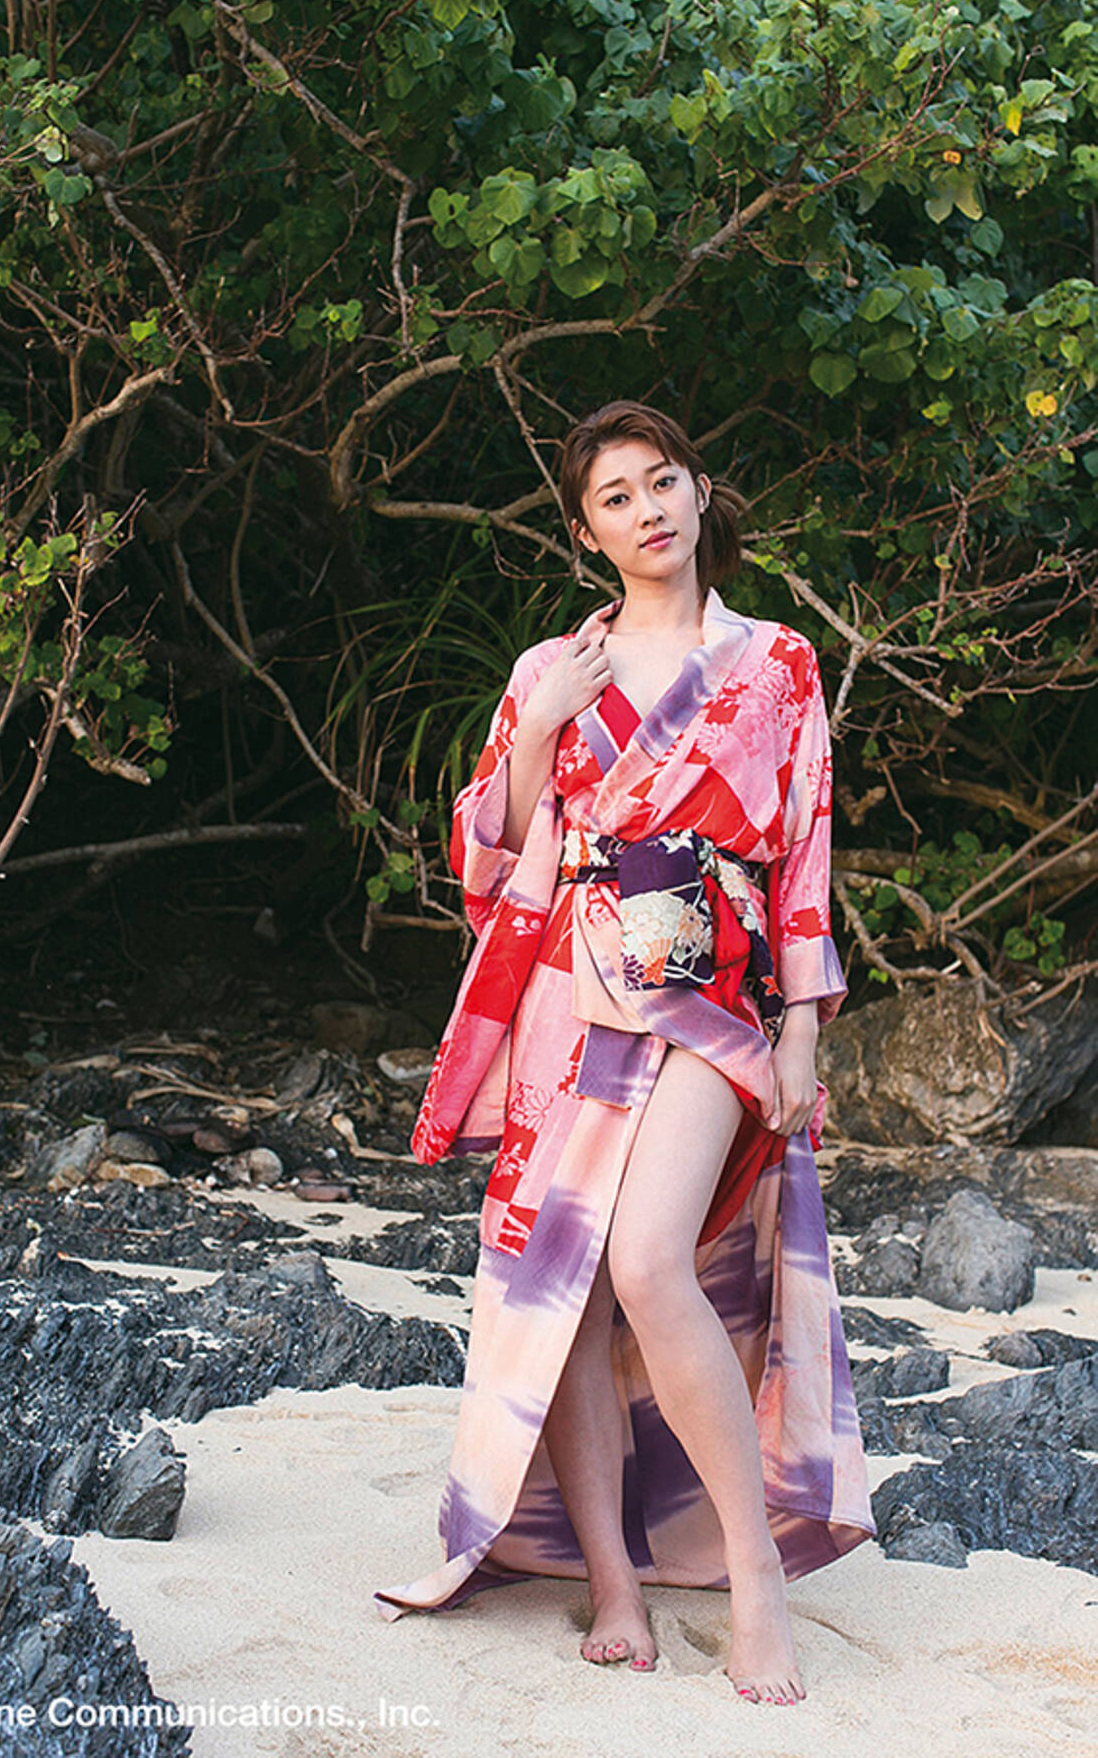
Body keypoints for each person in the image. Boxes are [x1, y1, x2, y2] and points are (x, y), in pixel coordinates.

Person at [373, 399, 876, 1707]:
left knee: (649, 1256)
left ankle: (755, 1574)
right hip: (571, 989)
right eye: (616, 496)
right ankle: (611, 1581)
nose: (648, 508)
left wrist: (805, 1023)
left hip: (715, 987)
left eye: (663, 480)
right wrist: (541, 724)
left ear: (700, 492)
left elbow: (805, 849)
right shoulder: (556, 664)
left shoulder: (778, 661)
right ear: (585, 530)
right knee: (576, 1294)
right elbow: (487, 858)